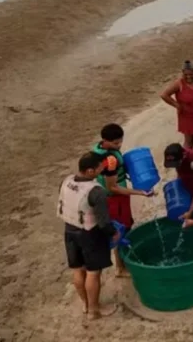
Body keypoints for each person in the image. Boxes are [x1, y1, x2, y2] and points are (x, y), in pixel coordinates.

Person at [59, 152, 120, 319]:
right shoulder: (96, 191)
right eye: (100, 168)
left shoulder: (66, 181)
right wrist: (114, 233)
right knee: (93, 272)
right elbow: (103, 222)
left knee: (78, 269)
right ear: (90, 171)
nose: (102, 170)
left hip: (70, 230)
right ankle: (94, 310)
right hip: (90, 234)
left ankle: (85, 305)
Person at [92, 123, 153, 277]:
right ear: (105, 140)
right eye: (115, 143)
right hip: (114, 199)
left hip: (115, 197)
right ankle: (120, 267)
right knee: (120, 230)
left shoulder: (98, 149)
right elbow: (113, 187)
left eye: (120, 141)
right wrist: (140, 192)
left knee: (124, 227)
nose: (119, 145)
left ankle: (123, 262)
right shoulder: (110, 160)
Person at [163, 143, 193, 220]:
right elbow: (180, 172)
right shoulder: (179, 159)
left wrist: (190, 212)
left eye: (176, 164)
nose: (175, 166)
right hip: (191, 184)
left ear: (183, 156)